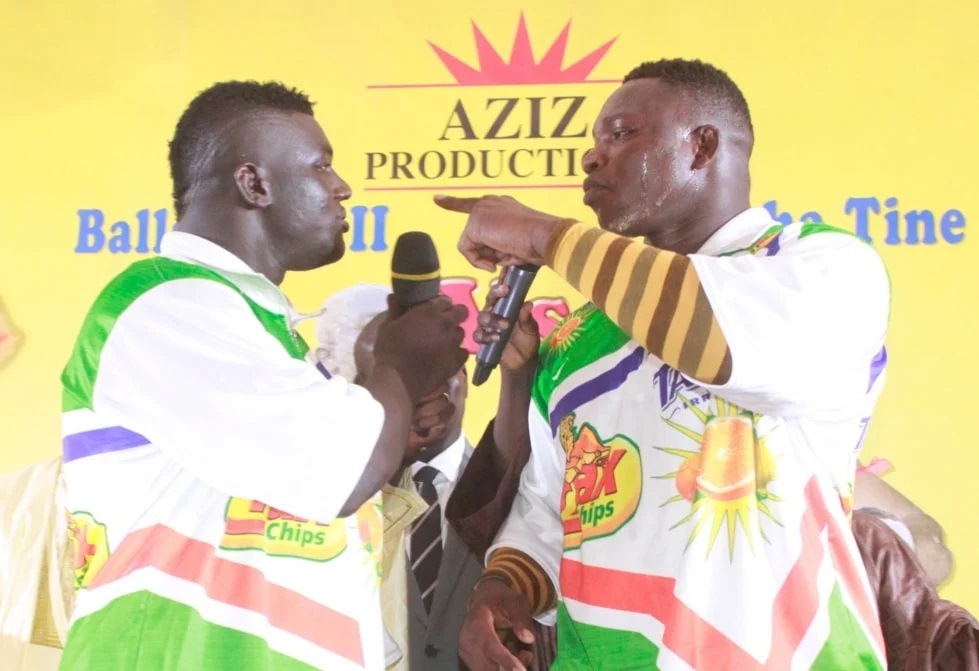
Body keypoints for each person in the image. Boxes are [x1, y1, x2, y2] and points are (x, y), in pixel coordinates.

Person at [437, 58, 894, 669]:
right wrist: (502, 589)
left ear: (701, 146)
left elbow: (714, 338)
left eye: (621, 134)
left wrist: (543, 234)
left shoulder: (820, 266)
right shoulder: (577, 337)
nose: (592, 157)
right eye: (595, 140)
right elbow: (549, 510)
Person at [58, 80, 467, 671]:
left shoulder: (258, 329)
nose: (342, 187)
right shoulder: (165, 306)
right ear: (254, 184)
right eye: (321, 166)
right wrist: (400, 366)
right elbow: (341, 472)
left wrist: (396, 421)